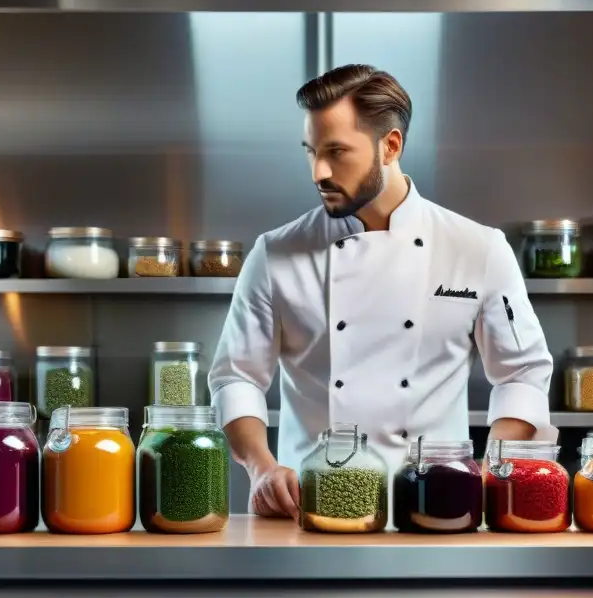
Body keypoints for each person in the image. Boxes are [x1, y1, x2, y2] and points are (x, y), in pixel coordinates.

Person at [208, 64, 553, 518]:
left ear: (390, 146)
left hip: (437, 508)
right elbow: (237, 378)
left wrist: (489, 470)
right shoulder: (275, 253)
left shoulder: (477, 249)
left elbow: (522, 374)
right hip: (309, 510)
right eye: (311, 151)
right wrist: (261, 468)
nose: (319, 171)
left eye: (337, 152)